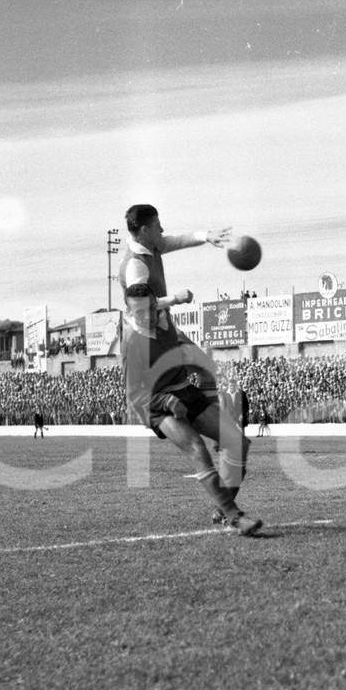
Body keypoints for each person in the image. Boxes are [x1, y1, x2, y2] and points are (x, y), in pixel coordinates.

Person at [118, 203, 262, 535]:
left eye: (154, 308)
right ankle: (236, 517)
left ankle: (221, 506)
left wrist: (206, 236)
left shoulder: (167, 326)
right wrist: (168, 403)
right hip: (157, 404)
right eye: (157, 225)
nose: (163, 230)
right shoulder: (133, 344)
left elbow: (173, 243)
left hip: (181, 389)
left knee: (238, 444)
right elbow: (136, 399)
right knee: (198, 448)